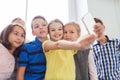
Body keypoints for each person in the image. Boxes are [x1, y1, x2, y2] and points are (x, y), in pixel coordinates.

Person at [17, 15, 48, 80]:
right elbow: (20, 74)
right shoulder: (27, 47)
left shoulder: (55, 46)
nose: (41, 28)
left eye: (44, 25)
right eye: (37, 26)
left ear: (48, 28)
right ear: (33, 32)